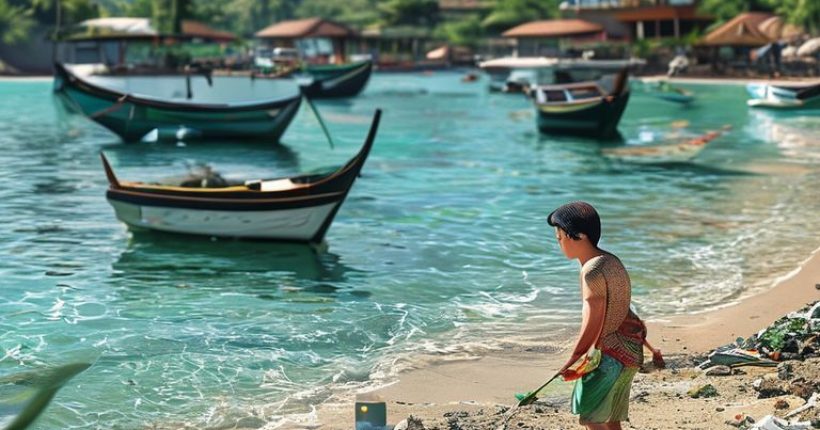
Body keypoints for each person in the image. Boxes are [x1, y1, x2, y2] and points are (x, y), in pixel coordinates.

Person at [547, 201, 662, 430]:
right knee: (610, 420)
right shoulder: (610, 261)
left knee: (592, 418)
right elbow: (623, 309)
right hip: (628, 353)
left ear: (578, 236)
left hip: (609, 357)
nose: (558, 243)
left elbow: (594, 318)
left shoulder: (591, 271)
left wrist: (575, 356)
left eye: (560, 237)